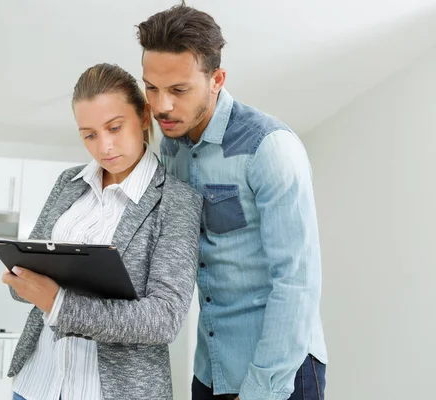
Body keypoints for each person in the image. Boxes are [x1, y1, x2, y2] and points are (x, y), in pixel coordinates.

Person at [136, 6, 328, 400]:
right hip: (211, 370)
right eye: (151, 87)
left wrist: (262, 388)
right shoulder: (172, 147)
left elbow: (297, 281)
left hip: (278, 374)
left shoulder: (269, 147)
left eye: (178, 90)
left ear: (217, 80)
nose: (161, 106)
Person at [2, 63, 203, 400]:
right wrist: (20, 281)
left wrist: (59, 303)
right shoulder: (68, 182)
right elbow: (27, 277)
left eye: (114, 127)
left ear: (142, 116)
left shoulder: (177, 201)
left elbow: (163, 319)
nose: (104, 146)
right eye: (90, 135)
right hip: (36, 384)